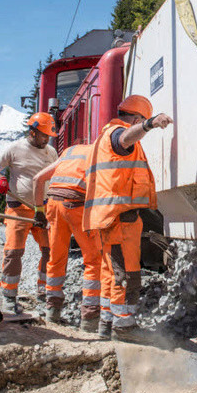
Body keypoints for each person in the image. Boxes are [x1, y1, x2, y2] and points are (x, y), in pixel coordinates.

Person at [82, 95, 172, 340]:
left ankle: (106, 325)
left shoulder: (102, 137)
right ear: (135, 118)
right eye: (140, 121)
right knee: (127, 273)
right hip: (120, 216)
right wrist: (149, 125)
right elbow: (125, 139)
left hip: (109, 216)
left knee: (111, 272)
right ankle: (124, 327)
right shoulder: (116, 134)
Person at [0, 112, 58, 314]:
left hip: (43, 209)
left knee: (49, 251)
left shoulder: (51, 152)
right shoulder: (15, 148)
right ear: (33, 132)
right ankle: (9, 297)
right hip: (18, 207)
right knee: (14, 252)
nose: (46, 139)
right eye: (43, 135)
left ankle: (44, 293)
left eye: (48, 136)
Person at [32, 144, 102, 331]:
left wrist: (39, 211)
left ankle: (52, 312)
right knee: (94, 260)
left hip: (54, 204)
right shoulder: (99, 152)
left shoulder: (70, 152)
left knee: (56, 258)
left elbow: (38, 178)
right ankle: (89, 319)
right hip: (76, 204)